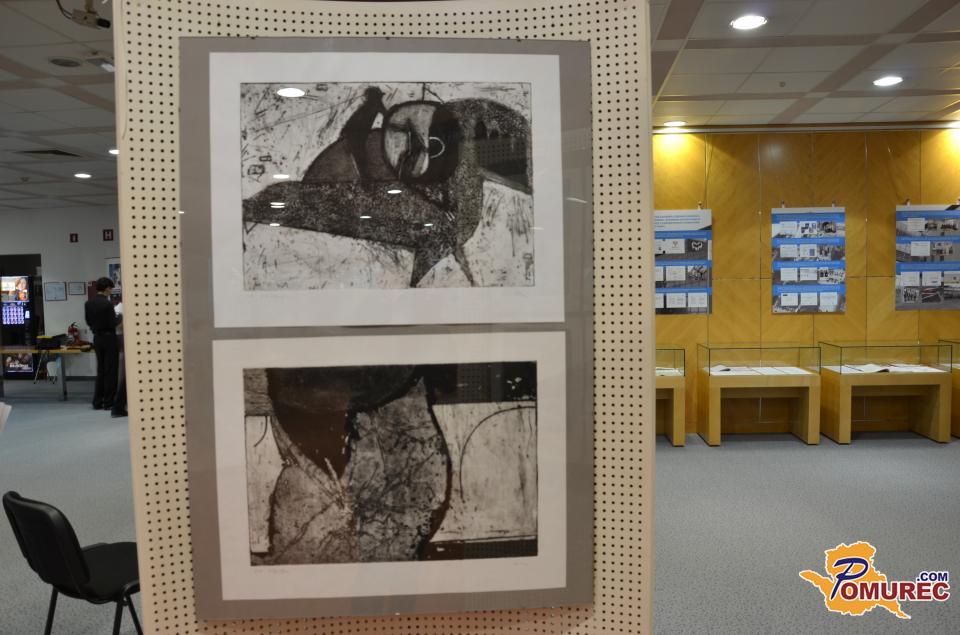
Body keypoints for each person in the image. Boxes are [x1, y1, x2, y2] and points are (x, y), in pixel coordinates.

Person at [85, 277, 121, 411]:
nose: (111, 291)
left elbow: (88, 321)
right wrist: (120, 317)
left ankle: (97, 401)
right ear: (106, 288)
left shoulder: (88, 303)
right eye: (111, 288)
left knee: (100, 370)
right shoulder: (107, 304)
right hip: (109, 338)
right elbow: (112, 323)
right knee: (111, 370)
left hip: (97, 338)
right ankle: (109, 402)